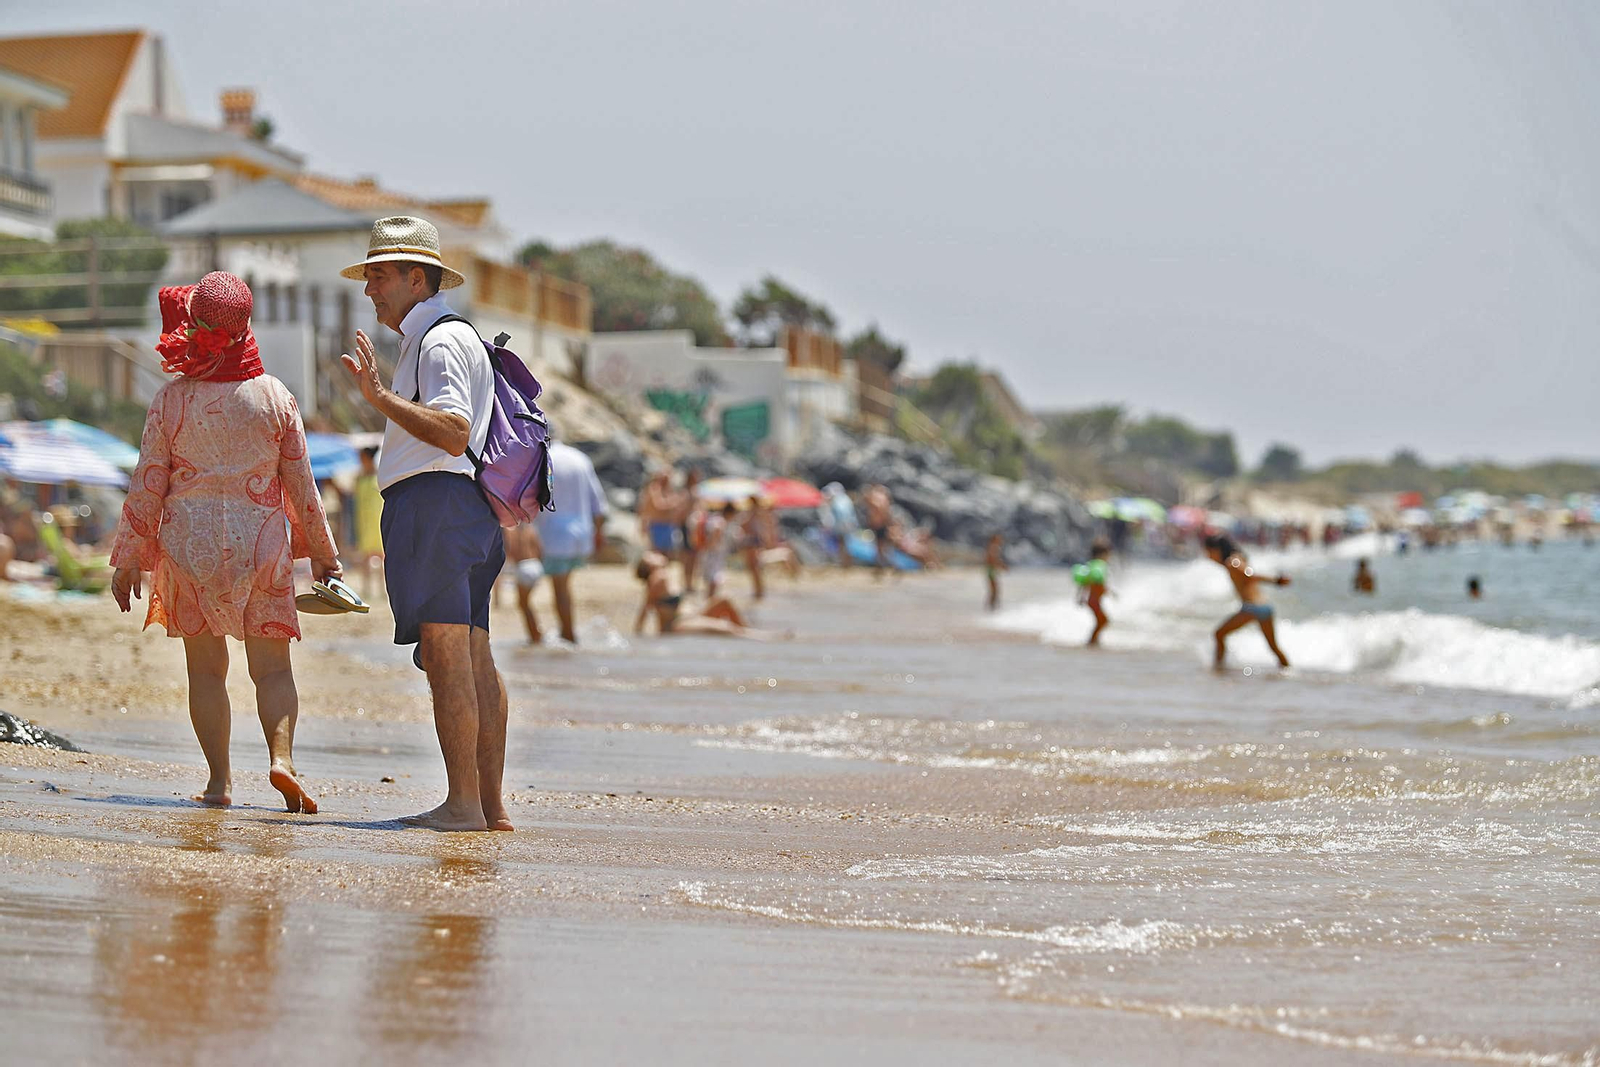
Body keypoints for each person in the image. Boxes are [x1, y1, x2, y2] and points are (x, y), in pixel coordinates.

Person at [108, 272, 339, 813]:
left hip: (189, 546)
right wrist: (324, 557)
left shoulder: (171, 400)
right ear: (247, 325)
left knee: (206, 670)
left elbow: (148, 481)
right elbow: (301, 483)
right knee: (274, 669)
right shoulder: (274, 396)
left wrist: (127, 561)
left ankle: (219, 783)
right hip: (260, 542)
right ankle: (281, 759)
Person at [338, 216, 510, 832]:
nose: (370, 291)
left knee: (448, 658)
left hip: (437, 507)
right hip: (466, 508)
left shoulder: (436, 342)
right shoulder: (448, 336)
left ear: (418, 277)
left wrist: (380, 400)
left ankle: (463, 805)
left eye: (379, 277)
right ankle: (488, 807)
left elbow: (453, 428)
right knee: (473, 656)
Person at [529, 439, 608, 644]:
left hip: (553, 535)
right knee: (564, 586)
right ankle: (566, 633)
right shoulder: (580, 458)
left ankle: (567, 635)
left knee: (558, 588)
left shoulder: (543, 457)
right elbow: (597, 501)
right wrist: (599, 532)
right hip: (581, 533)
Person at [633, 551, 776, 639]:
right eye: (651, 556)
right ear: (649, 566)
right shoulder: (657, 578)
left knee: (724, 601)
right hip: (676, 625)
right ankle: (761, 638)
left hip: (690, 617)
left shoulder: (665, 576)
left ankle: (749, 633)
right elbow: (645, 609)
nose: (656, 554)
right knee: (725, 627)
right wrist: (639, 635)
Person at [1204, 533, 1291, 669]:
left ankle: (1218, 668)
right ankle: (1288, 670)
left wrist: (1276, 580)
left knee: (1219, 634)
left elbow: (1250, 575)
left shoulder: (1232, 562)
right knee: (1274, 647)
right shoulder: (1235, 560)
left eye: (1209, 552)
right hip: (1265, 607)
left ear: (1217, 549)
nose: (1208, 556)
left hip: (1253, 608)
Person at [351, 445, 385, 597]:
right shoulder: (360, 478)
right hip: (364, 522)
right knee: (366, 557)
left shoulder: (379, 477)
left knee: (383, 557)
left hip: (378, 522)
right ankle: (367, 589)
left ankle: (383, 589)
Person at [504, 523, 545, 644]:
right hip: (536, 565)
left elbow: (511, 550)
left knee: (523, 604)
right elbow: (540, 549)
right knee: (526, 603)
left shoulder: (510, 530)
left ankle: (535, 636)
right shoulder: (531, 528)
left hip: (523, 567)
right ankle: (537, 633)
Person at [1073, 539, 1111, 645]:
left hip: (1092, 600)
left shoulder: (1091, 566)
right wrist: (1107, 591)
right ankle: (1092, 640)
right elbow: (1099, 584)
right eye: (1108, 555)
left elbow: (1085, 583)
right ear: (1102, 554)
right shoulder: (1099, 566)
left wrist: (1079, 596)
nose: (1109, 558)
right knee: (1104, 621)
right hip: (1094, 601)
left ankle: (1094, 639)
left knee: (1101, 621)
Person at [638, 470, 681, 558]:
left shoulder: (668, 490)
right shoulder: (654, 488)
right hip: (657, 525)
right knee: (656, 552)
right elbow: (658, 505)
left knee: (667, 553)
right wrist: (671, 503)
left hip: (668, 525)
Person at [864, 484, 893, 574]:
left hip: (879, 525)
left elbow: (879, 511)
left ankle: (885, 566)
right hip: (880, 525)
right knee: (882, 547)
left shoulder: (878, 501)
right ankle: (882, 566)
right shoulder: (884, 500)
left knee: (880, 547)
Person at [984, 532, 1007, 611]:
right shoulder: (993, 547)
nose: (1001, 540)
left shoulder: (992, 547)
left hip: (991, 569)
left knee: (994, 590)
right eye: (999, 539)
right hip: (991, 570)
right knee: (994, 590)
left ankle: (992, 608)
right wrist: (1002, 565)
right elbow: (992, 560)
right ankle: (991, 608)